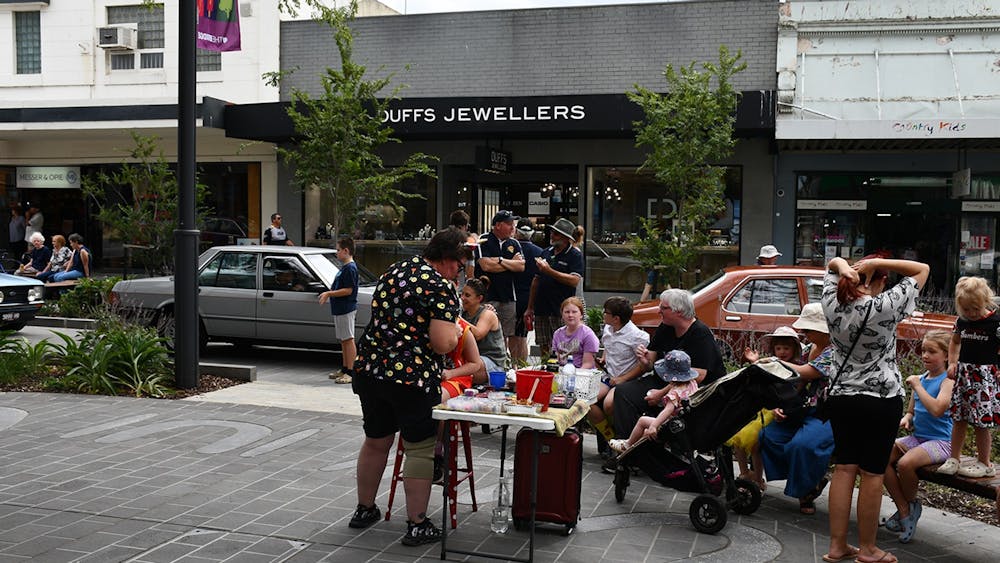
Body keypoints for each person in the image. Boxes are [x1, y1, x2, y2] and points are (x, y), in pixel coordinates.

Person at [348, 227, 466, 547]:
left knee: (376, 440)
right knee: (419, 448)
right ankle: (417, 524)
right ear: (446, 258)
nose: (461, 269)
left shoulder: (397, 269)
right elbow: (442, 344)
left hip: (371, 368)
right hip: (411, 377)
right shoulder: (440, 286)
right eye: (460, 262)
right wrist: (456, 332)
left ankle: (365, 508)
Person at [821, 254, 929, 563]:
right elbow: (923, 269)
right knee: (871, 474)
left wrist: (845, 267)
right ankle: (868, 549)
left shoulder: (832, 301)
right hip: (880, 400)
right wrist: (882, 261)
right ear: (879, 280)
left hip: (841, 397)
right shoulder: (886, 306)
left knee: (844, 468)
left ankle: (837, 546)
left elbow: (832, 263)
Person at [608, 288, 725, 445]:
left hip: (690, 389)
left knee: (649, 402)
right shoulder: (666, 327)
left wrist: (661, 394)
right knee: (622, 393)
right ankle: (628, 448)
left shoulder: (700, 334)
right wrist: (644, 361)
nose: (659, 311)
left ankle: (643, 452)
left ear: (679, 311)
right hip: (664, 380)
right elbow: (650, 363)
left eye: (663, 308)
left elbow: (698, 375)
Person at [757, 304, 835, 516]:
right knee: (768, 436)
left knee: (802, 446)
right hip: (802, 408)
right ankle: (808, 479)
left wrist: (770, 362)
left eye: (809, 329)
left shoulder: (835, 351)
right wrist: (781, 406)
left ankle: (806, 491)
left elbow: (804, 373)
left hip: (827, 413)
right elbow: (797, 384)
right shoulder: (809, 348)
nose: (805, 333)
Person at [884, 330, 954, 544]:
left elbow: (937, 410)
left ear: (946, 356)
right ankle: (905, 510)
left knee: (905, 464)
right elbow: (912, 411)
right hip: (919, 438)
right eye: (923, 350)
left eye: (932, 351)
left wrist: (917, 386)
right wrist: (907, 418)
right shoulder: (922, 378)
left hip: (942, 442)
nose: (925, 355)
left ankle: (911, 505)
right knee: (879, 457)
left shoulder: (947, 382)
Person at [937, 276, 1000, 478]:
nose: (971, 314)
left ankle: (985, 462)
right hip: (964, 376)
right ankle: (954, 458)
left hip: (984, 377)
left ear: (985, 302)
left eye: (975, 309)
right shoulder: (962, 322)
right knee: (959, 418)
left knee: (981, 422)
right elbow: (955, 342)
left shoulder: (995, 322)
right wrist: (953, 362)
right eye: (966, 309)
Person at [734, 326, 803, 491]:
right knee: (738, 437)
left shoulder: (798, 368)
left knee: (756, 444)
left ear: (794, 349)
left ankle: (758, 478)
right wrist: (754, 361)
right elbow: (760, 371)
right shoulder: (771, 362)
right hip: (762, 408)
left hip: (776, 409)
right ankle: (744, 473)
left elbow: (795, 391)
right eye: (778, 348)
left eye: (786, 348)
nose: (782, 352)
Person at [608, 350, 699, 454]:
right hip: (688, 423)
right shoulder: (692, 383)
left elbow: (668, 410)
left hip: (674, 425)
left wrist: (654, 426)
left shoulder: (675, 392)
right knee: (645, 433)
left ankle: (627, 445)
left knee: (643, 421)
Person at [588, 296, 650, 447]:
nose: (603, 314)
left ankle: (623, 438)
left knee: (609, 404)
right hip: (609, 376)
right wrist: (604, 358)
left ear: (616, 318)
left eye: (606, 312)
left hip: (627, 380)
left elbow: (643, 367)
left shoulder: (637, 337)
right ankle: (609, 438)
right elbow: (609, 347)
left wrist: (623, 379)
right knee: (586, 402)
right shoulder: (608, 329)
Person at [525, 217, 584, 357]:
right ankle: (546, 369)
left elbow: (574, 280)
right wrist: (530, 307)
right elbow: (536, 280)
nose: (552, 235)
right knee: (544, 344)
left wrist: (549, 271)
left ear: (565, 237)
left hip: (561, 309)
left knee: (562, 346)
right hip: (542, 307)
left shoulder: (574, 255)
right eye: (552, 232)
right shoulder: (546, 252)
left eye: (556, 233)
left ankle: (561, 371)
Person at [475, 210, 524, 351]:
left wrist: (500, 260)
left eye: (513, 224)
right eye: (509, 224)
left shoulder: (514, 243)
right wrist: (510, 264)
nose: (512, 228)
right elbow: (486, 265)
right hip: (488, 296)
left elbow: (521, 266)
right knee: (484, 331)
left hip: (508, 296)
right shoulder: (484, 240)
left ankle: (501, 361)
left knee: (505, 335)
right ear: (497, 225)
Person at [319, 237, 360, 385]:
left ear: (346, 251)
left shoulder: (350, 268)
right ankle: (344, 368)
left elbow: (348, 290)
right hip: (340, 308)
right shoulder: (345, 267)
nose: (336, 253)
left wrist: (329, 294)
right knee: (344, 339)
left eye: (338, 250)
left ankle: (351, 371)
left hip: (346, 308)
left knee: (348, 339)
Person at [510, 219, 543, 362]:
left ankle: (512, 366)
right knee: (522, 335)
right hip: (529, 298)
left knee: (510, 334)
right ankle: (522, 366)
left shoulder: (511, 249)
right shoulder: (539, 252)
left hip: (511, 296)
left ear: (517, 232)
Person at [460, 277, 508, 373]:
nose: (462, 298)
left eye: (467, 295)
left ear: (479, 298)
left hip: (492, 361)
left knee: (464, 367)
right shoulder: (464, 313)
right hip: (474, 359)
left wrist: (457, 318)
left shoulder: (487, 314)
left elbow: (478, 334)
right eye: (462, 294)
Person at [550, 296, 599, 369]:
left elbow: (588, 364)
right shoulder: (557, 333)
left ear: (581, 315)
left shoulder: (588, 335)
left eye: (574, 312)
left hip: (582, 373)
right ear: (562, 315)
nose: (570, 315)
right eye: (567, 312)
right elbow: (554, 359)